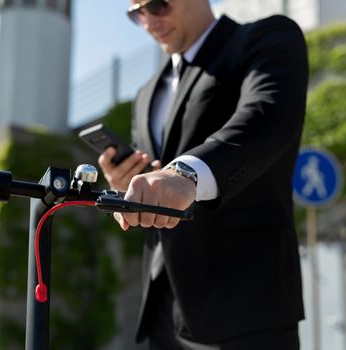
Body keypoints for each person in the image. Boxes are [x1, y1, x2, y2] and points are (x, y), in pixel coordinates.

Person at [98, 0, 308, 349]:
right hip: (164, 309)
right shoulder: (146, 94)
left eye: (157, 5)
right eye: (136, 13)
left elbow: (266, 117)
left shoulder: (266, 38)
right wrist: (127, 182)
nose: (149, 20)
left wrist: (186, 175)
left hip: (246, 306)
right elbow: (155, 176)